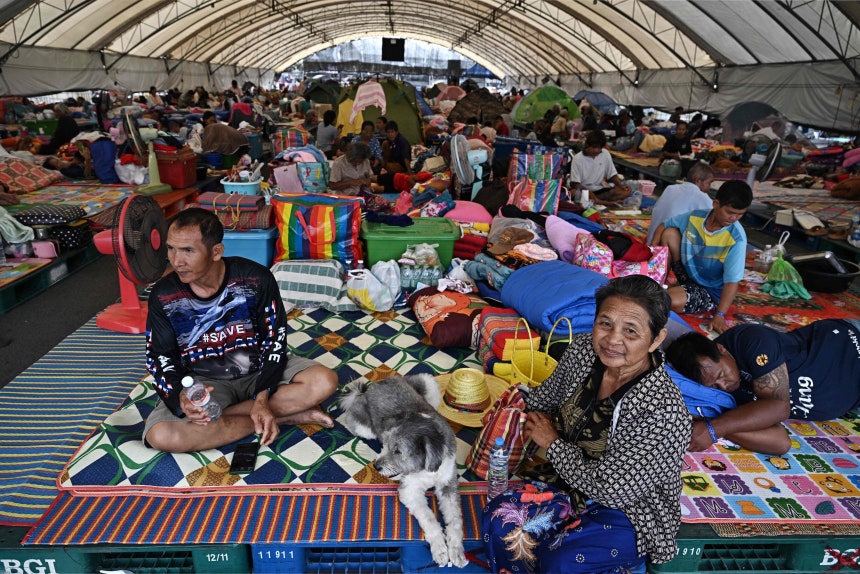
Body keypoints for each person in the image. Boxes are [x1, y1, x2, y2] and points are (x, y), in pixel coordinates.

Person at [483, 275, 691, 572]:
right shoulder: (583, 351)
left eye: (631, 331)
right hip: (565, 482)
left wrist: (552, 443)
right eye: (605, 323)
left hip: (628, 511)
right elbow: (546, 397)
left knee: (561, 562)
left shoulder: (664, 412)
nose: (612, 340)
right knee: (502, 520)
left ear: (656, 339)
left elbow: (611, 489)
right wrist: (513, 412)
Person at [144, 208, 339, 453]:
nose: (176, 261)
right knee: (161, 435)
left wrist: (262, 397)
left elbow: (274, 341)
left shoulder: (255, 279)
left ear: (216, 252)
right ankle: (284, 417)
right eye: (171, 248)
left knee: (323, 381)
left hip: (259, 370)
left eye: (188, 251)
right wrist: (180, 399)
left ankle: (229, 417)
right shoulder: (164, 295)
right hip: (204, 383)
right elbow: (160, 357)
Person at [665, 319, 860, 455]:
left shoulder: (751, 340)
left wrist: (713, 428)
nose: (725, 386)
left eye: (721, 375)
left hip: (850, 346)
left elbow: (779, 407)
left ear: (721, 349)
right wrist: (712, 421)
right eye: (715, 385)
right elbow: (780, 442)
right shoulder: (721, 394)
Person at [651, 180, 752, 334]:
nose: (734, 218)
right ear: (716, 204)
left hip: (709, 290)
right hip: (688, 275)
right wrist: (651, 252)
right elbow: (664, 225)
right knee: (670, 233)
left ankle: (671, 292)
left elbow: (732, 282)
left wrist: (720, 314)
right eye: (730, 212)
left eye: (740, 215)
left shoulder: (737, 238)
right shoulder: (695, 217)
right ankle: (659, 281)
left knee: (666, 300)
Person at [646, 162, 715, 243]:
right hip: (664, 244)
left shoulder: (670, 188)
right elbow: (715, 215)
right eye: (709, 183)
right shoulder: (700, 196)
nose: (709, 188)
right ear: (698, 181)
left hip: (651, 239)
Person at [569, 130, 631, 203]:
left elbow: (612, 175)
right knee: (574, 193)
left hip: (599, 190)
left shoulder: (605, 154)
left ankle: (596, 200)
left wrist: (621, 186)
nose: (596, 151)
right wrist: (590, 194)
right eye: (594, 147)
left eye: (599, 148)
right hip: (583, 190)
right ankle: (600, 201)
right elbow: (575, 184)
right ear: (587, 145)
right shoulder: (578, 158)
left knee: (626, 191)